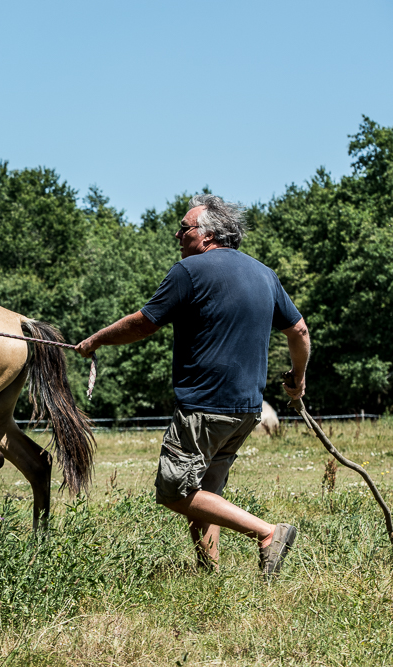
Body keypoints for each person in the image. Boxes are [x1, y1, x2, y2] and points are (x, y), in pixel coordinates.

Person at [75, 194, 311, 577]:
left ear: (208, 235)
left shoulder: (189, 272)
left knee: (175, 492)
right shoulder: (264, 274)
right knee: (205, 493)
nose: (177, 235)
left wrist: (97, 339)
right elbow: (298, 329)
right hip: (247, 409)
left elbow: (144, 322)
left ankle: (268, 533)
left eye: (183, 228)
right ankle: (208, 573)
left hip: (204, 405)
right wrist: (298, 380)